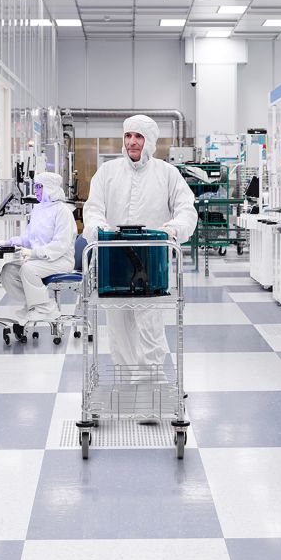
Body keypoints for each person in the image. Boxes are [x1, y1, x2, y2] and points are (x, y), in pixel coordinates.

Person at [83, 115, 198, 384]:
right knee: (118, 325)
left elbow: (186, 210)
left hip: (151, 262)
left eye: (138, 136)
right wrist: (99, 230)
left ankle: (151, 383)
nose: (132, 142)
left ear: (150, 141)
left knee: (150, 324)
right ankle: (126, 380)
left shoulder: (167, 174)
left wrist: (172, 230)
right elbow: (93, 209)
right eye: (128, 136)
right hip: (114, 262)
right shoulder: (108, 173)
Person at [0, 171, 77, 322]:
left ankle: (44, 309)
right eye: (35, 187)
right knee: (8, 271)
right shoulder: (38, 209)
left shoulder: (63, 211)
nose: (35, 190)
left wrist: (34, 253)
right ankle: (38, 305)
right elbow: (29, 237)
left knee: (28, 270)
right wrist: (7, 242)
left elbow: (61, 245)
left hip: (60, 259)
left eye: (38, 187)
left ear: (49, 188)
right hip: (40, 259)